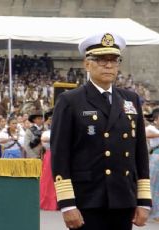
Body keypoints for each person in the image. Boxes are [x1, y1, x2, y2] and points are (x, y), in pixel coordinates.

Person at [51, 32, 152, 230]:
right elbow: (60, 154)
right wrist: (67, 203)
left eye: (114, 60)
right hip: (88, 199)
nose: (108, 65)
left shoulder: (130, 99)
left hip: (123, 198)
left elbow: (140, 152)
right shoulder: (71, 100)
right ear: (87, 64)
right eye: (101, 60)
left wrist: (143, 200)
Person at [145, 108, 159, 222]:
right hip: (156, 158)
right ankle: (153, 212)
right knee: (153, 186)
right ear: (156, 119)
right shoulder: (151, 128)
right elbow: (148, 134)